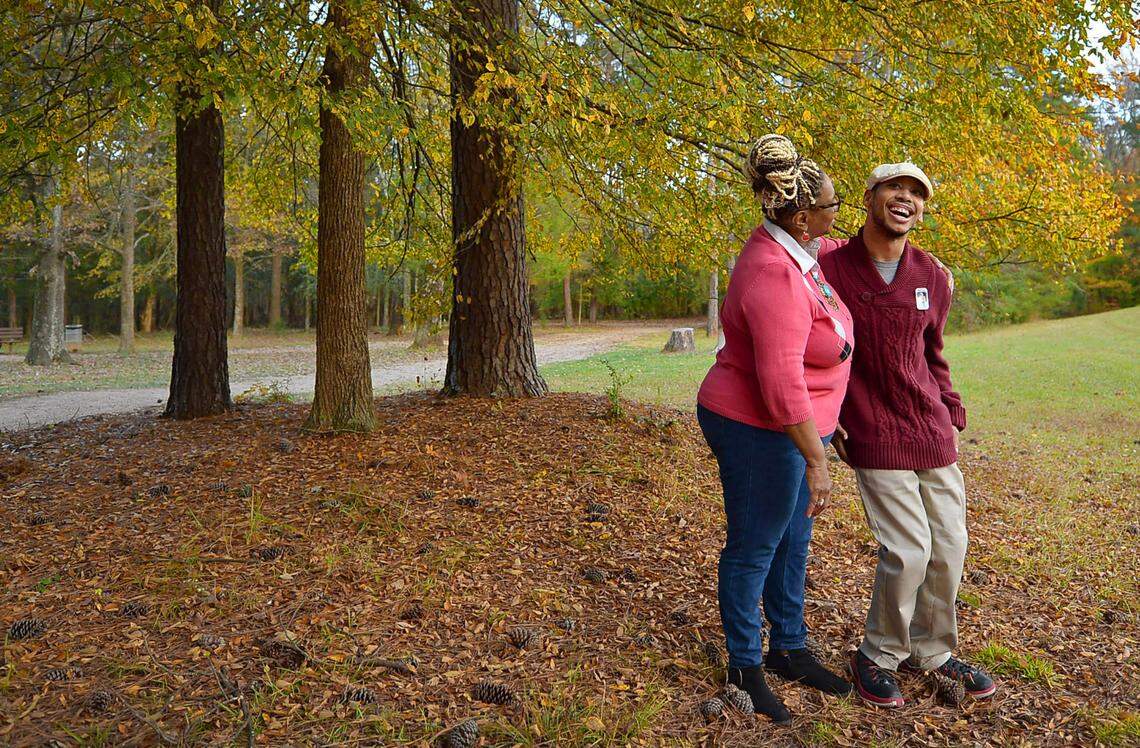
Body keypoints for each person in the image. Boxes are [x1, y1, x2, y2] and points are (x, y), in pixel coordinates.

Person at [821, 163, 996, 707]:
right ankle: (877, 654)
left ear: (922, 210)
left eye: (916, 193)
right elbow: (814, 347)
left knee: (949, 545)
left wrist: (951, 408)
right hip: (873, 427)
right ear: (869, 196)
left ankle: (934, 651)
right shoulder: (830, 269)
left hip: (929, 427)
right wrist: (828, 413)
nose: (905, 198)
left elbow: (932, 352)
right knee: (908, 550)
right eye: (894, 187)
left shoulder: (932, 275)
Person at [697, 134, 854, 724]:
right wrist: (816, 458)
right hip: (759, 428)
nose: (838, 215)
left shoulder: (797, 250)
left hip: (795, 427)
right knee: (756, 544)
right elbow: (782, 382)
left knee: (793, 538)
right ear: (803, 215)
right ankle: (745, 665)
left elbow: (842, 245)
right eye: (833, 206)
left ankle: (789, 648)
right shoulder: (773, 274)